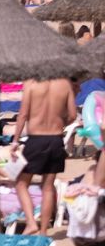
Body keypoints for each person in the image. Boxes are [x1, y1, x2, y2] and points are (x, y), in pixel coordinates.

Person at [10, 78, 76, 235]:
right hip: (56, 139)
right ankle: (44, 231)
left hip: (36, 139)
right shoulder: (65, 84)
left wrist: (15, 140)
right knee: (47, 187)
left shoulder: (31, 84)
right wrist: (60, 124)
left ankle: (31, 223)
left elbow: (23, 114)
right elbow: (73, 115)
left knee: (20, 183)